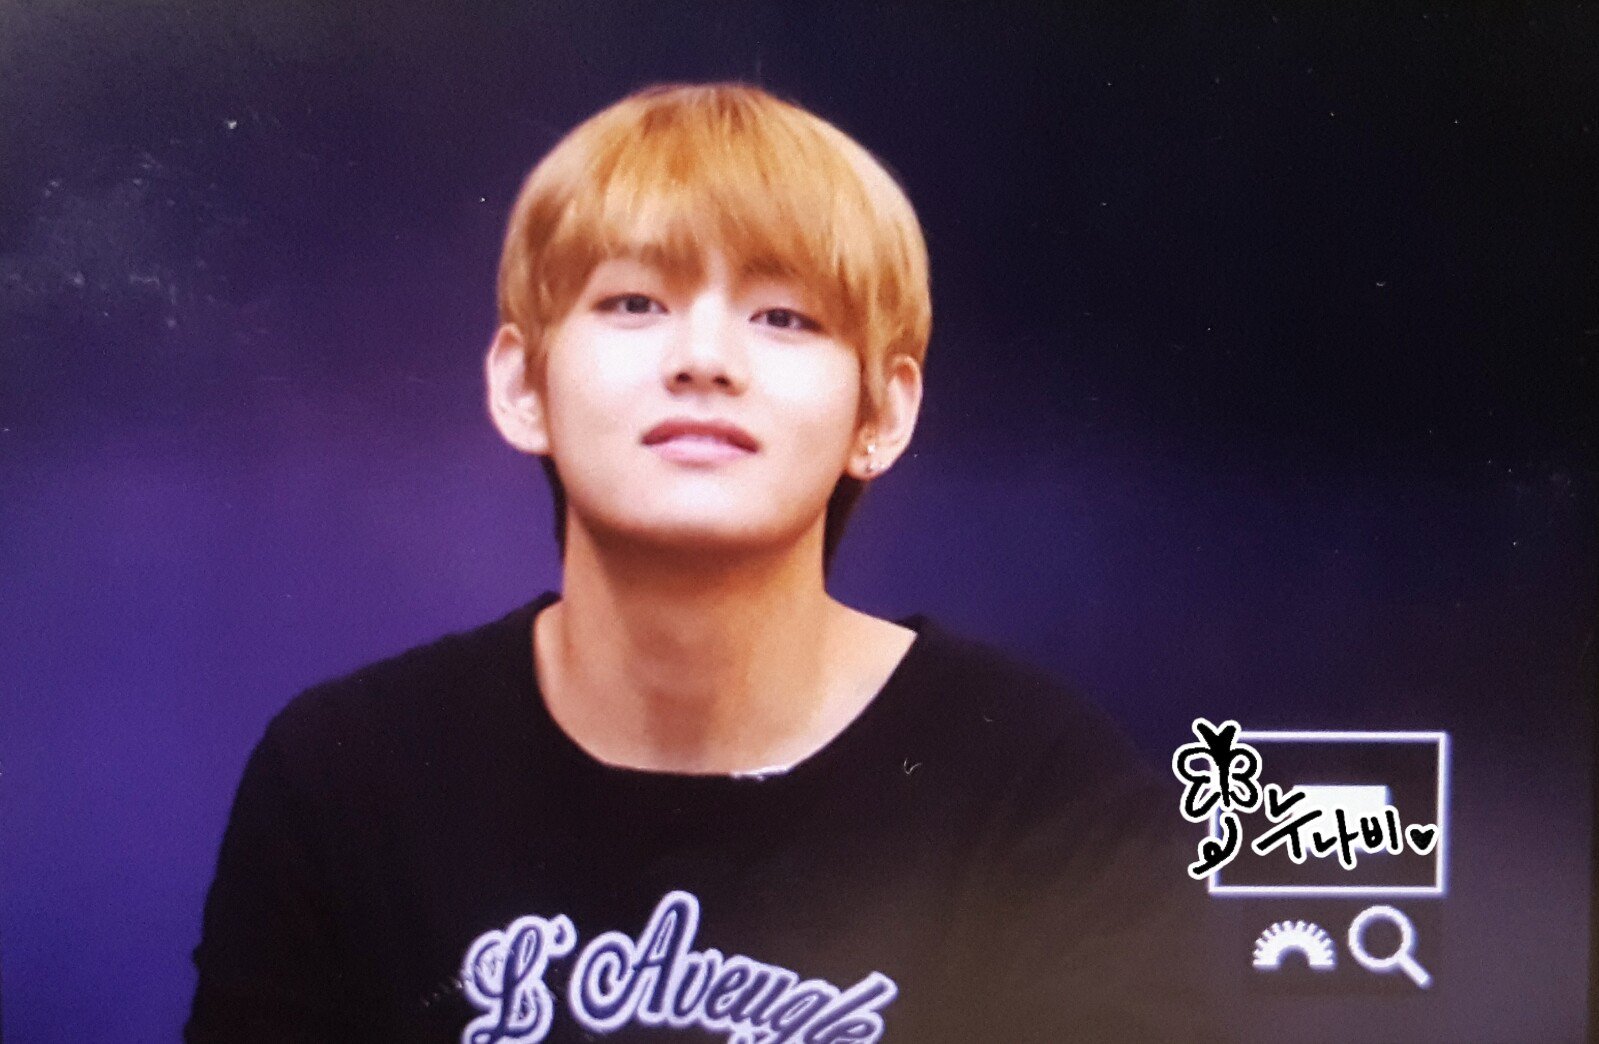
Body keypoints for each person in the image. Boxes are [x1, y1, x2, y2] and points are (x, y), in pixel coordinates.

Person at [188, 82, 1217, 1043]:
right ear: (522, 386)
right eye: (635, 302)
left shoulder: (1035, 784)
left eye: (784, 317)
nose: (705, 359)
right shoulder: (347, 777)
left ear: (882, 414)